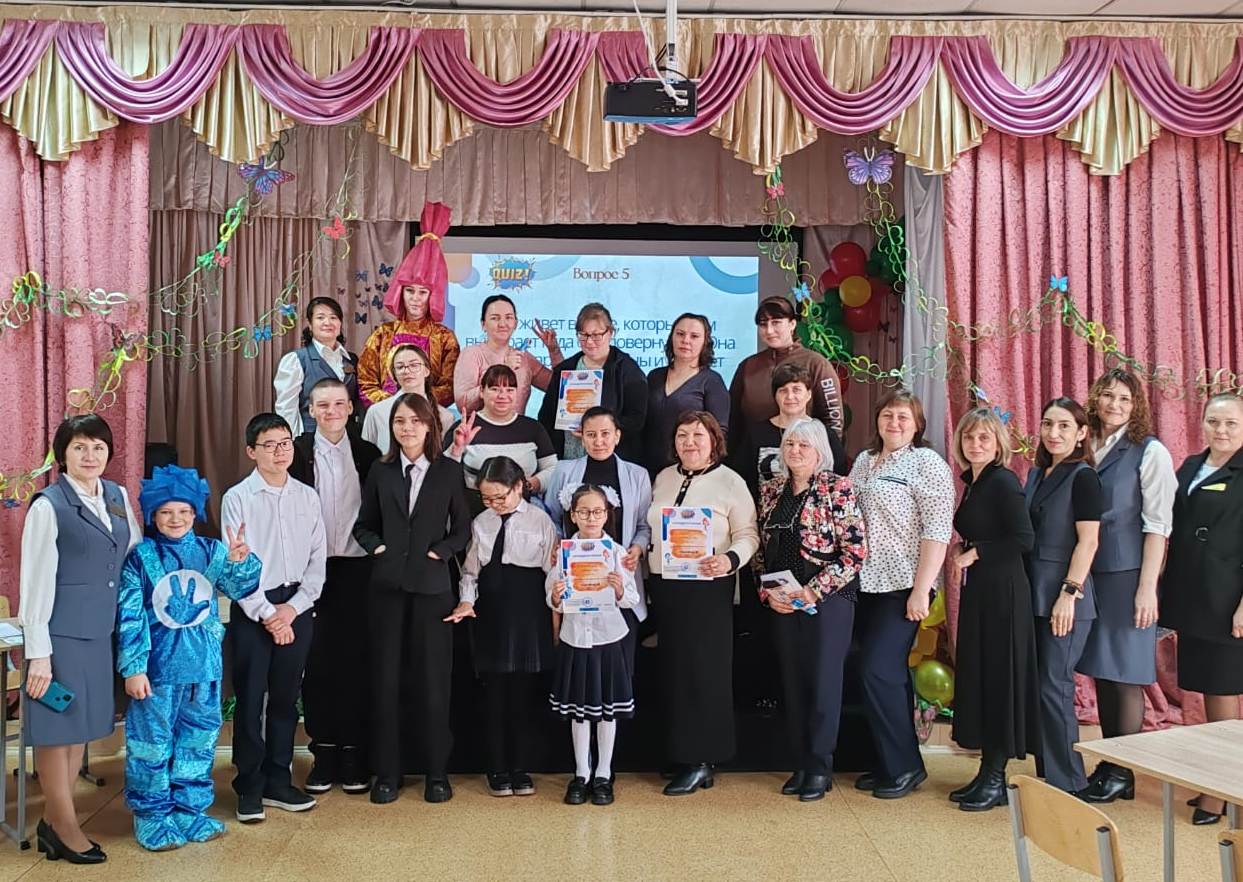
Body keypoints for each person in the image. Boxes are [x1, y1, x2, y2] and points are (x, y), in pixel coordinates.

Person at [116, 465, 261, 850]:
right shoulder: (141, 557)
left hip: (204, 671)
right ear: (153, 515)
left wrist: (240, 561)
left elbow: (240, 588)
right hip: (157, 673)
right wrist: (134, 668)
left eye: (183, 511)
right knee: (151, 745)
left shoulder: (213, 552)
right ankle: (152, 816)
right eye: (166, 512)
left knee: (198, 743)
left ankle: (189, 811)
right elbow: (130, 616)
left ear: (195, 512)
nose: (175, 519)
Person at [20, 414, 141, 863]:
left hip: (100, 632)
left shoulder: (116, 496)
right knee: (57, 731)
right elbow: (34, 584)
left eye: (98, 447)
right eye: (80, 447)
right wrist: (39, 655)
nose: (90, 456)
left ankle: (54, 822)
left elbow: (133, 554)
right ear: (62, 454)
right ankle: (65, 826)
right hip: (60, 637)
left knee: (79, 731)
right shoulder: (48, 506)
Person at [352, 394, 472, 805]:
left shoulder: (448, 471)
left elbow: (463, 530)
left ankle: (437, 773)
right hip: (386, 590)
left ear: (430, 426)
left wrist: (440, 552)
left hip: (432, 590)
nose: (407, 428)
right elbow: (364, 525)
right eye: (400, 421)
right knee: (386, 683)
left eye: (415, 421)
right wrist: (380, 548)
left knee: (433, 684)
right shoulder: (381, 470)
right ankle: (388, 773)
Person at [646, 411, 759, 796]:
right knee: (675, 670)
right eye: (682, 435)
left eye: (698, 435)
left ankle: (703, 758)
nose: (689, 442)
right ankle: (682, 751)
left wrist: (729, 560)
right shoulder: (663, 477)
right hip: (667, 588)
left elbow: (748, 535)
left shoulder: (730, 481)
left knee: (705, 672)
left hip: (708, 588)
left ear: (714, 441)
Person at [221, 413, 326, 823]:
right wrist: (268, 614)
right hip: (253, 607)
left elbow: (318, 560)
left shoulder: (307, 497)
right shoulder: (238, 498)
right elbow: (234, 566)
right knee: (250, 699)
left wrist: (292, 610)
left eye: (285, 443)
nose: (280, 452)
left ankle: (279, 780)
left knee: (285, 697)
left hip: (296, 604)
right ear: (252, 451)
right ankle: (249, 785)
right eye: (270, 445)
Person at [848, 390, 954, 799]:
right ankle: (887, 762)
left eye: (903, 417)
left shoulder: (927, 463)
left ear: (917, 425)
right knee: (884, 674)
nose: (894, 423)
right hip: (862, 583)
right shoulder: (864, 461)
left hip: (903, 585)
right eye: (888, 415)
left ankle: (905, 767)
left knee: (878, 669)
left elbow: (937, 531)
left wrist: (922, 590)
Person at [754, 418, 866, 802]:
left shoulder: (838, 488)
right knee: (793, 683)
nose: (796, 451)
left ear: (820, 452)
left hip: (828, 600)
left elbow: (855, 553)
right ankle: (800, 762)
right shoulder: (771, 490)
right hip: (783, 601)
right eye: (790, 444)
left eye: (804, 445)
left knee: (822, 683)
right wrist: (768, 593)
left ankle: (820, 766)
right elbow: (761, 550)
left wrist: (813, 591)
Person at [1078, 369, 1176, 804]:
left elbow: (1158, 527)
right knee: (1103, 670)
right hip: (1090, 572)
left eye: (1124, 398)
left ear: (1136, 406)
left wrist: (1147, 587)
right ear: (1095, 399)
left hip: (1127, 575)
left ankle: (1123, 769)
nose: (1115, 405)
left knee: (1125, 674)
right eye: (1108, 396)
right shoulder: (1086, 444)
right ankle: (1111, 762)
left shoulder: (1150, 452)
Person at [444, 456, 558, 799]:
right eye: (487, 498)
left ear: (519, 486)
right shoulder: (481, 522)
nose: (494, 504)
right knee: (494, 695)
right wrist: (467, 601)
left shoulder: (540, 520)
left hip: (529, 614)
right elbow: (470, 572)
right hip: (491, 613)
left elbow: (552, 571)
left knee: (523, 695)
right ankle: (496, 767)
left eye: (500, 497)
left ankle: (520, 767)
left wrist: (557, 606)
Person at [289, 379, 382, 796]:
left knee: (358, 661)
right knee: (317, 662)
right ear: (310, 410)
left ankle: (355, 751)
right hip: (311, 570)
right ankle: (323, 751)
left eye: (339, 404)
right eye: (322, 405)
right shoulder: (296, 453)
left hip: (359, 568)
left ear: (350, 409)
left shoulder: (368, 454)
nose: (331, 412)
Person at [948, 408, 1040, 812]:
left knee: (1000, 678)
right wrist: (963, 546)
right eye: (969, 437)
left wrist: (977, 553)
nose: (975, 444)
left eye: (984, 438)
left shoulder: (1003, 481)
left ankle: (996, 777)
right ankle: (986, 771)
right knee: (982, 676)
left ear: (998, 442)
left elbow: (1024, 539)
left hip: (1004, 593)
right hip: (981, 591)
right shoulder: (974, 481)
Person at [1159, 392, 1243, 825]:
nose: (1221, 430)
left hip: (1227, 599)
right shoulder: (1191, 465)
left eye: (1230, 423)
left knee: (1224, 692)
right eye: (1214, 421)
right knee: (1208, 691)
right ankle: (1217, 779)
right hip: (1194, 597)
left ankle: (1222, 790)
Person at [1024, 397, 1102, 796]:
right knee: (1038, 685)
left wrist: (1068, 594)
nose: (1054, 433)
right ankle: (1048, 772)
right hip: (1032, 591)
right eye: (1048, 424)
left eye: (1065, 426)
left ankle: (1070, 781)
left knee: (1055, 686)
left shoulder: (1084, 477)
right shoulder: (1037, 474)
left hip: (1065, 596)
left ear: (1082, 433)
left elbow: (1088, 542)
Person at [547, 484, 640, 807]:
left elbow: (632, 599)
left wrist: (619, 589)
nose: (590, 517)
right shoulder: (564, 552)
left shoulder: (615, 551)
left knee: (606, 712)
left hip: (607, 638)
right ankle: (581, 773)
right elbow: (552, 597)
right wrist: (556, 595)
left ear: (606, 514)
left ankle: (603, 773)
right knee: (580, 712)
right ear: (573, 515)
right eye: (583, 512)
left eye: (597, 511)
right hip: (575, 638)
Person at [543, 406, 653, 667]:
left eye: (605, 433)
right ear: (581, 436)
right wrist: (557, 542)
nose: (599, 441)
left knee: (619, 658)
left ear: (617, 435)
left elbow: (644, 526)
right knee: (581, 658)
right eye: (591, 434)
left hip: (618, 576)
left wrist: (637, 549)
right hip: (577, 579)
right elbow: (551, 517)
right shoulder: (564, 471)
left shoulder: (638, 475)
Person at [357, 201, 460, 407]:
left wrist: (417, 403)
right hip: (386, 414)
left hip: (428, 415)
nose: (415, 298)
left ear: (433, 296)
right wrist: (393, 404)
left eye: (423, 292)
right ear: (400, 293)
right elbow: (365, 382)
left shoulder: (445, 338)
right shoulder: (383, 334)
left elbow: (450, 387)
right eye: (410, 291)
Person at [726, 295, 844, 458]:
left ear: (792, 324)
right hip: (754, 457)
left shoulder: (816, 364)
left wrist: (825, 460)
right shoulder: (747, 366)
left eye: (776, 322)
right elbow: (733, 419)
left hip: (804, 460)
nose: (769, 330)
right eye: (763, 324)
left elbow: (833, 421)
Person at [537, 302, 648, 464]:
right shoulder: (565, 369)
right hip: (568, 461)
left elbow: (636, 420)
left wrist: (597, 429)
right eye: (583, 335)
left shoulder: (628, 371)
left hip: (611, 462)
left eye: (596, 335)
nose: (589, 342)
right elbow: (546, 417)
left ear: (610, 333)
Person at [445, 364, 557, 511]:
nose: (502, 396)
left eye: (510, 390)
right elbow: (443, 473)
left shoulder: (533, 428)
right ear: (481, 391)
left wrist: (531, 484)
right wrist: (457, 449)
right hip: (472, 511)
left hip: (524, 511)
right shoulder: (463, 428)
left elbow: (552, 468)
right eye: (495, 389)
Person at [732, 362, 847, 497]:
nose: (790, 396)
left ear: (809, 394)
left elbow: (839, 476)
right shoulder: (756, 434)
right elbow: (740, 478)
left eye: (796, 390)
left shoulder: (825, 434)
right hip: (764, 507)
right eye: (783, 390)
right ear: (775, 396)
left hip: (815, 507)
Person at [643, 313, 730, 477]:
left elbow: (719, 432)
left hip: (691, 471)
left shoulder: (712, 381)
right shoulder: (654, 376)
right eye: (680, 334)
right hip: (649, 470)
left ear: (705, 342)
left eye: (694, 336)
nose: (685, 340)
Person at [453, 293, 563, 414]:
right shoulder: (472, 354)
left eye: (508, 317)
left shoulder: (524, 357)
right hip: (480, 426)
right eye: (495, 318)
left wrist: (554, 351)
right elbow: (463, 406)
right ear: (483, 324)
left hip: (518, 426)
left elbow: (559, 388)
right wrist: (504, 370)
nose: (502, 324)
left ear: (515, 323)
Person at [273, 296, 363, 437]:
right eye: (320, 317)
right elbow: (286, 410)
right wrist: (296, 443)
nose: (327, 322)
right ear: (310, 324)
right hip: (311, 440)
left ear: (340, 324)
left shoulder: (352, 359)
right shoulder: (296, 360)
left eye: (333, 317)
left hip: (349, 439)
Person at [361, 344, 453, 456]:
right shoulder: (376, 412)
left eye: (414, 365)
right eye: (400, 367)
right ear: (394, 374)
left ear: (427, 371)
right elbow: (366, 455)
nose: (407, 371)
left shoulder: (445, 416)